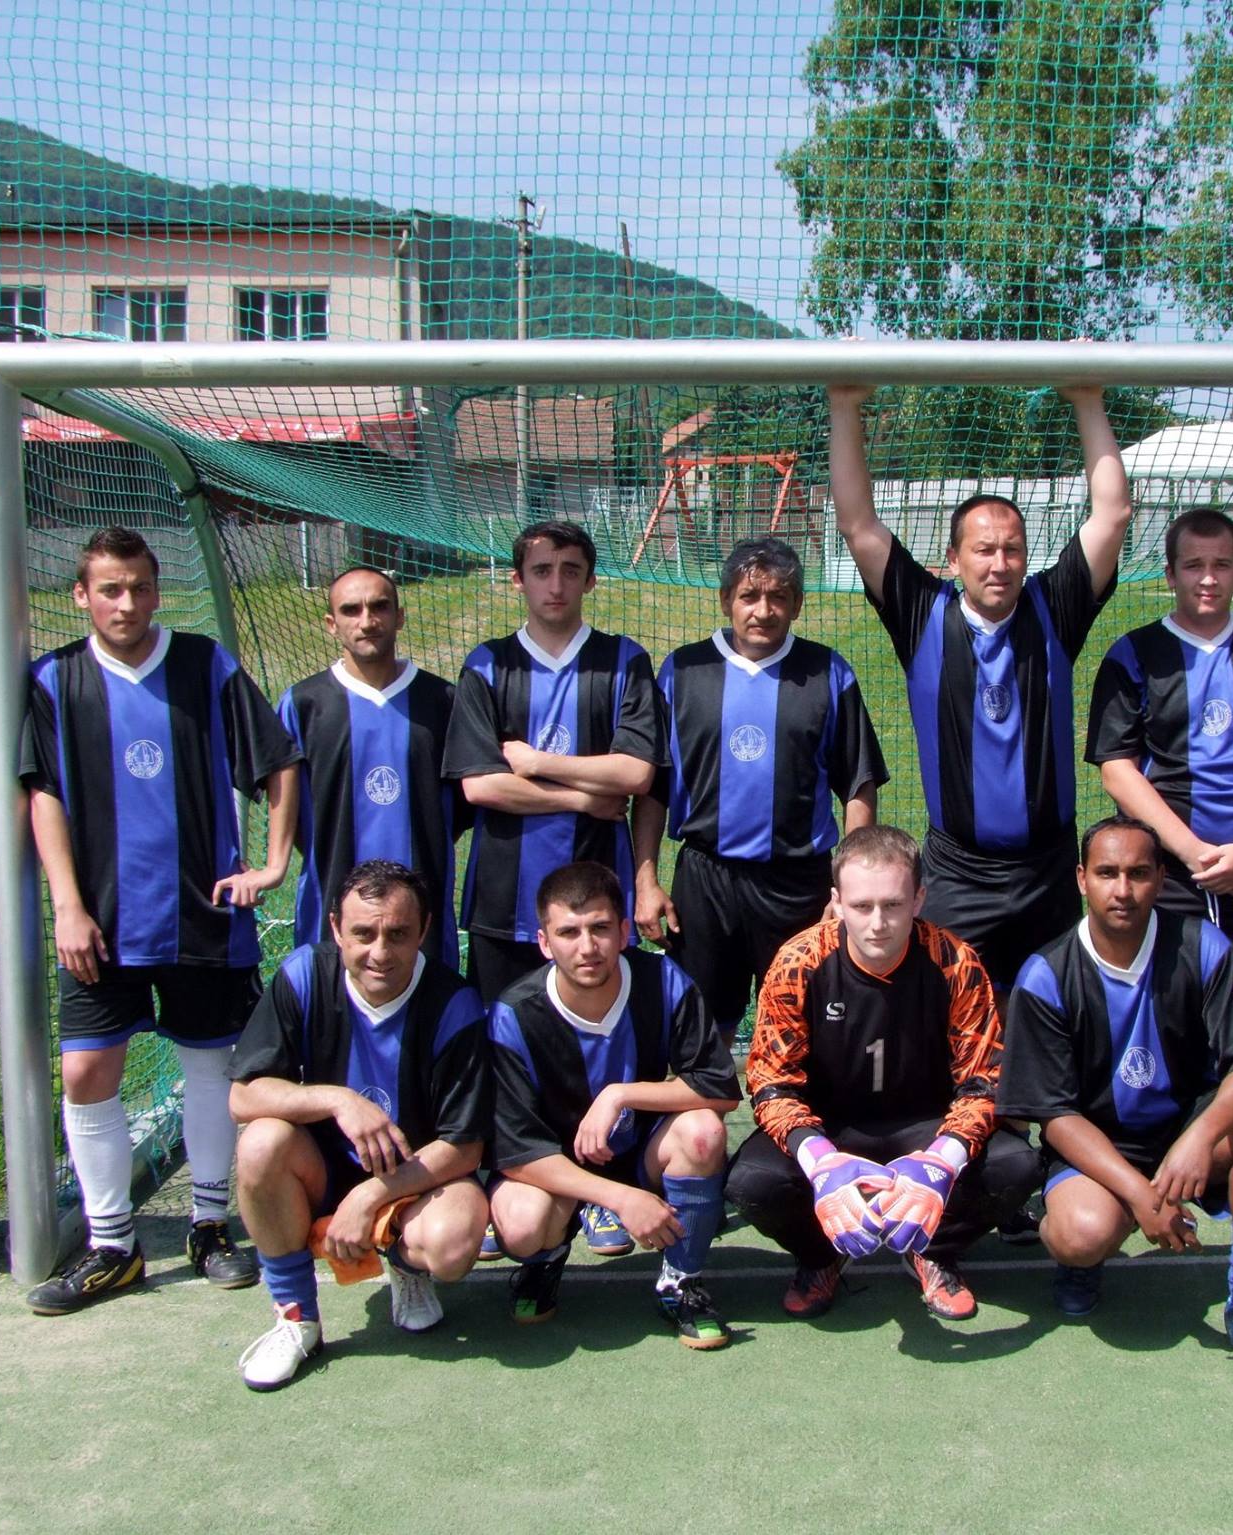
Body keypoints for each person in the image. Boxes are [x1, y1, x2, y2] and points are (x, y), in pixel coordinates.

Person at [19, 526, 300, 1315]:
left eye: (140, 587)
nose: (126, 603)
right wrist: (67, 904)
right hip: (100, 922)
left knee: (211, 1067)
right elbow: (44, 794)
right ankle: (114, 1244)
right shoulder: (55, 678)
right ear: (81, 595)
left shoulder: (205, 664)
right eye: (110, 589)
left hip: (204, 914)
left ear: (156, 589)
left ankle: (210, 1224)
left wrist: (274, 863)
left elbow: (279, 762)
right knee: (86, 1071)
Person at [825, 382, 1134, 993]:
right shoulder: (923, 613)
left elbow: (1112, 515)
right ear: (954, 559)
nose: (999, 563)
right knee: (947, 1019)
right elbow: (858, 525)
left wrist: (1087, 398)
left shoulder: (1054, 607)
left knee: (1047, 1020)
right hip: (959, 873)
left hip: (1047, 870)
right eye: (984, 549)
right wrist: (845, 403)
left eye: (1012, 550)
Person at [1085, 506, 1233, 1238]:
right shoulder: (1134, 655)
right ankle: (1173, 1162)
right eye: (1193, 565)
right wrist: (1188, 851)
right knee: (1168, 1016)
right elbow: (1117, 768)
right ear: (1169, 573)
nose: (1208, 578)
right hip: (1170, 873)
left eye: (1221, 564)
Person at [998, 816, 1233, 1381]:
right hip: (1102, 1147)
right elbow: (1054, 1115)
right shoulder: (1046, 974)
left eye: (1138, 873)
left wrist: (1200, 1138)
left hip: (1190, 1135)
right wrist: (1141, 1195)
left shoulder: (1203, 947)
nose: (1123, 889)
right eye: (1107, 873)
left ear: (1161, 878)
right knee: (1081, 1235)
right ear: (1081, 879)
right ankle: (1085, 1262)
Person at [443, 519, 664, 1259]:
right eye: (541, 570)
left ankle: (601, 1187)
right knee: (505, 1049)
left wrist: (537, 763)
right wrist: (580, 795)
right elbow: (480, 785)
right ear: (519, 580)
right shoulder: (487, 664)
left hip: (596, 902)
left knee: (599, 1049)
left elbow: (635, 774)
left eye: (571, 569)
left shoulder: (624, 661)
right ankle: (511, 1181)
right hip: (503, 902)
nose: (556, 584)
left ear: (591, 579)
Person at [726, 825, 1040, 1323]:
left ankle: (932, 1249)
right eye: (861, 906)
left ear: (919, 899)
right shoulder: (798, 962)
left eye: (893, 905)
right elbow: (772, 1083)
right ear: (836, 902)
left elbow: (983, 1082)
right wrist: (821, 1161)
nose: (877, 923)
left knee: (1016, 1167)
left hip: (925, 1125)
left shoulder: (956, 963)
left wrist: (941, 1161)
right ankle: (823, 1255)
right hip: (830, 1126)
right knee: (752, 1183)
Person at [227, 861, 491, 1390]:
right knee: (260, 1143)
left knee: (454, 1240)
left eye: (398, 934)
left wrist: (369, 1198)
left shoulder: (454, 1003)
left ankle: (407, 1268)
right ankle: (296, 1317)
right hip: (321, 1171)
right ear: (335, 928)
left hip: (411, 1183)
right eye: (363, 933)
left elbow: (463, 1147)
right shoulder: (303, 975)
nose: (380, 952)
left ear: (424, 929)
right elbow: (244, 1095)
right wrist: (337, 1100)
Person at [634, 536, 889, 1039]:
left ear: (798, 603)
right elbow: (652, 788)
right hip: (706, 881)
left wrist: (850, 888)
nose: (763, 610)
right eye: (749, 596)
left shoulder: (828, 672)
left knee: (805, 1029)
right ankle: (703, 1095)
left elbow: (858, 787)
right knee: (703, 1034)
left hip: (798, 883)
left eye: (778, 597)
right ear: (726, 599)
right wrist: (645, 881)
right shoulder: (682, 671)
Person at [486, 861, 742, 1350]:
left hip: (641, 1153)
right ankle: (544, 1262)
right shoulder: (513, 1014)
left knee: (703, 1131)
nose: (587, 947)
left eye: (600, 928)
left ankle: (680, 1281)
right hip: (557, 1168)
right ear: (544, 942)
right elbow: (517, 1152)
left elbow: (720, 1087)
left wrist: (619, 1093)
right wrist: (621, 1200)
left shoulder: (663, 980)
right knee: (520, 1224)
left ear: (625, 931)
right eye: (568, 932)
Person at [277, 565, 462, 970]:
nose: (367, 621)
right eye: (351, 610)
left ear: (400, 616)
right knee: (329, 1000)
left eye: (379, 607)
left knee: (426, 1002)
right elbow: (287, 807)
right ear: (331, 624)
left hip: (423, 907)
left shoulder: (443, 701)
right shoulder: (302, 704)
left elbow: (460, 809)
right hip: (330, 900)